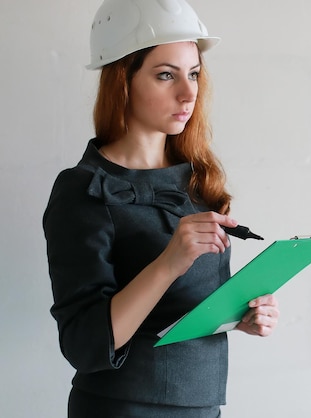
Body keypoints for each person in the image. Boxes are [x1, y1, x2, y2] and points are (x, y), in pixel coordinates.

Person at [43, 0, 280, 416]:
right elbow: (84, 344)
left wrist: (238, 316)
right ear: (122, 80)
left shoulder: (198, 182)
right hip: (122, 407)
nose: (188, 93)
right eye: (165, 75)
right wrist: (169, 261)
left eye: (193, 74)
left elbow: (181, 312)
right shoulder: (83, 190)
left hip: (202, 404)